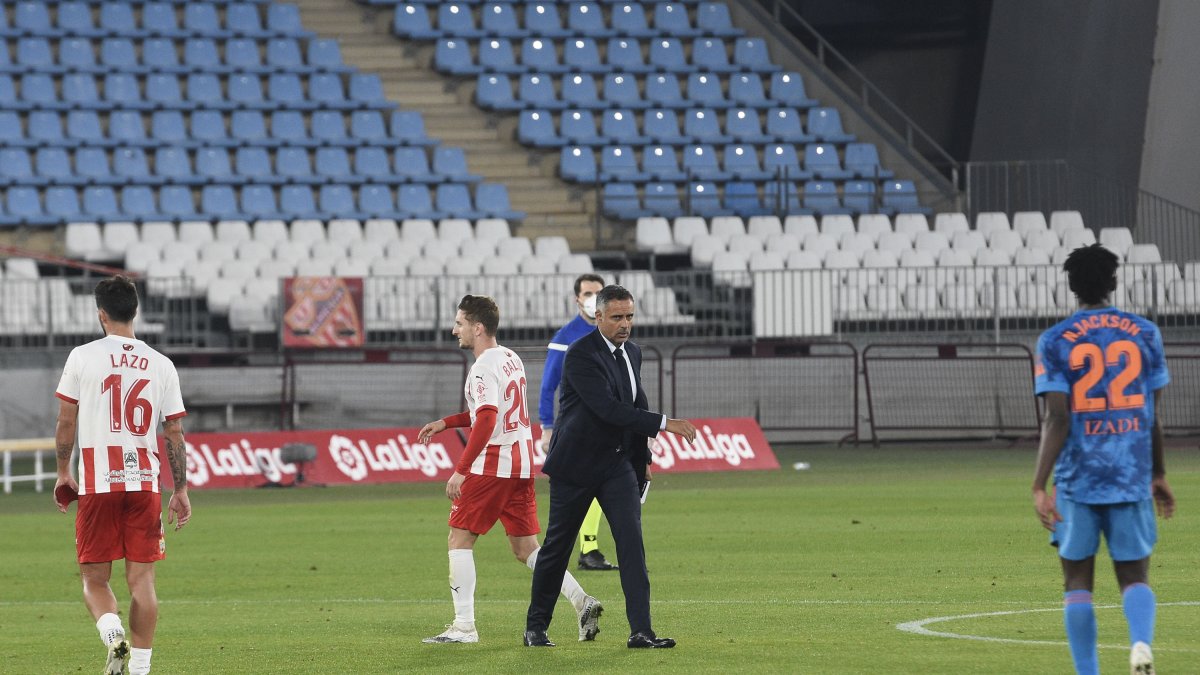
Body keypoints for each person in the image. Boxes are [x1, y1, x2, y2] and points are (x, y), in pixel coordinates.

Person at [417, 294, 603, 645]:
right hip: (522, 466)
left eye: (459, 323)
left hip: (492, 468)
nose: (455, 329)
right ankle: (582, 601)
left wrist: (461, 469)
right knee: (527, 549)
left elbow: (487, 418)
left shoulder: (482, 367)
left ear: (478, 327)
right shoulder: (510, 358)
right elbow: (494, 411)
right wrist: (446, 422)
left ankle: (463, 627)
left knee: (459, 537)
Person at [525, 285, 697, 649]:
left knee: (632, 546)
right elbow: (607, 409)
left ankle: (641, 632)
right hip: (576, 465)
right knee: (558, 547)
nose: (625, 324)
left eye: (630, 316)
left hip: (616, 464)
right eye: (617, 317)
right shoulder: (581, 354)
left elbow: (636, 402)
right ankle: (536, 627)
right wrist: (666, 423)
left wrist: (644, 460)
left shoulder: (632, 353)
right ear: (598, 316)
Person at [1032, 244, 1174, 675]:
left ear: (1072, 287)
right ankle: (1140, 647)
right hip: (1130, 474)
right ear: (1113, 282)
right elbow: (1150, 412)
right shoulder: (1145, 333)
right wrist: (1159, 473)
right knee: (1134, 576)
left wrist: (1040, 483)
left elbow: (1058, 416)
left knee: (1077, 582)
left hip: (1078, 480)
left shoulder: (1054, 340)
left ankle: (1088, 671)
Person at [53, 275, 191, 675]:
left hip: (98, 480)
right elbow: (174, 432)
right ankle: (142, 670)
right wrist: (179, 488)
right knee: (142, 580)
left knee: (94, 578)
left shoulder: (82, 356)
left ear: (101, 315)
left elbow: (66, 421)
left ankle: (113, 633)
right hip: (144, 481)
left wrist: (64, 470)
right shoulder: (161, 364)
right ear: (136, 312)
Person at [538, 272, 619, 571]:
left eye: (597, 293)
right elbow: (548, 386)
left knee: (601, 483)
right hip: (575, 426)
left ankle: (588, 548)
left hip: (607, 424)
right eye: (587, 294)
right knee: (580, 487)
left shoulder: (611, 335)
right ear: (577, 299)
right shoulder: (565, 339)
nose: (592, 299)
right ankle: (579, 548)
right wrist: (546, 427)